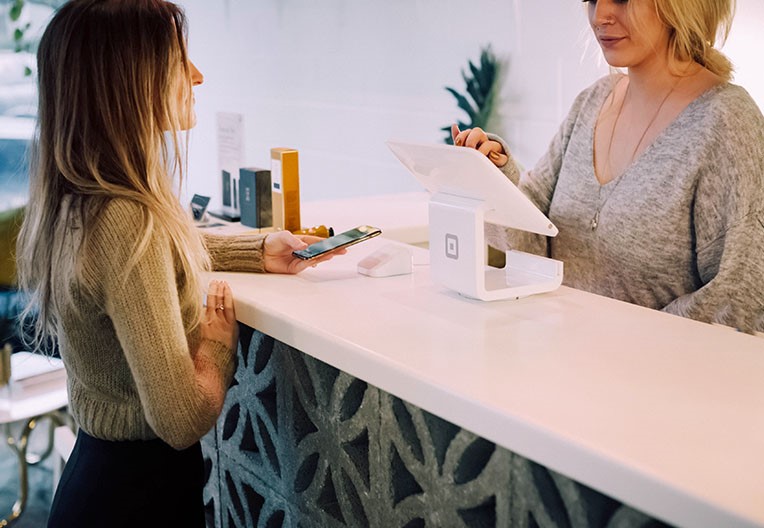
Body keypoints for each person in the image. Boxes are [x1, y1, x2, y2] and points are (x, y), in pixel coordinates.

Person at [15, 1, 342, 526]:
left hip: (99, 483)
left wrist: (257, 251)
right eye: (179, 61)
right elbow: (181, 417)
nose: (197, 75)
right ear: (130, 79)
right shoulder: (126, 219)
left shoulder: (85, 200)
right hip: (135, 499)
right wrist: (217, 343)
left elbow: (153, 253)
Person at [453, 0, 764, 334]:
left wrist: (619, 347)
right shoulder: (592, 102)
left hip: (651, 379)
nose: (599, 16)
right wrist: (493, 176)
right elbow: (534, 242)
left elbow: (737, 302)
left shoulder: (725, 122)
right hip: (559, 363)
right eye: (590, 0)